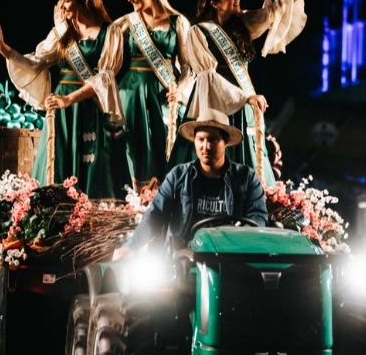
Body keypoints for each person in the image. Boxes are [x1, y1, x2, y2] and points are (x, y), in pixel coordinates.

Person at [0, 0, 131, 199]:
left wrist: (69, 99)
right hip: (61, 115)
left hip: (89, 108)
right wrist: (6, 51)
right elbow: (36, 62)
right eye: (61, 0)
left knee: (94, 175)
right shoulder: (62, 33)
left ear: (83, 1)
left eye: (67, 1)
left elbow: (104, 78)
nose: (62, 6)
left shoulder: (110, 33)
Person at [176, 0, 318, 189]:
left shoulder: (242, 26)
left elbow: (278, 9)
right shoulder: (198, 32)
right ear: (214, 2)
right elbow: (207, 78)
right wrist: (245, 97)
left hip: (246, 107)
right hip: (219, 110)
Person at [113, 108, 267, 259]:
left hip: (228, 260)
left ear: (225, 142)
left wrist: (234, 243)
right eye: (201, 139)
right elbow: (155, 215)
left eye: (213, 140)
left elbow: (257, 219)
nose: (206, 146)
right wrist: (131, 246)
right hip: (181, 260)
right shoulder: (178, 176)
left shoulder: (246, 178)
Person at [112, 0, 193, 191]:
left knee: (164, 148)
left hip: (164, 95)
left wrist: (179, 90)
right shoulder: (126, 23)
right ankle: (135, 203)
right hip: (131, 95)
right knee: (135, 150)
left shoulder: (178, 22)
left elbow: (188, 66)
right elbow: (104, 51)